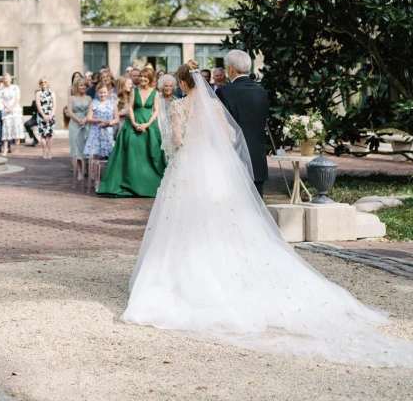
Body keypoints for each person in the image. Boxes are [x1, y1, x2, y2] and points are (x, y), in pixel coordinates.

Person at [121, 61, 413, 367]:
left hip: (189, 169)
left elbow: (177, 141)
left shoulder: (179, 106)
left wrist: (178, 145)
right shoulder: (214, 106)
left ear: (182, 83)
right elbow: (229, 137)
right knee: (226, 221)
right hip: (215, 169)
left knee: (185, 223)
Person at [97, 66, 167, 198]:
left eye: (145, 77)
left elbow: (156, 110)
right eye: (141, 76)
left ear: (150, 78)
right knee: (131, 153)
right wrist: (134, 123)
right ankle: (129, 183)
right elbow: (130, 107)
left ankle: (149, 185)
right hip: (132, 125)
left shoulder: (155, 92)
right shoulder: (135, 91)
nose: (142, 79)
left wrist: (147, 124)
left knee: (151, 154)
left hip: (149, 126)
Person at [215, 50, 268, 198]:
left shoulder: (224, 91)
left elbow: (221, 126)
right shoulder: (262, 91)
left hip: (234, 158)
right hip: (258, 158)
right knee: (257, 208)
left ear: (230, 69)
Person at [84, 83, 119, 184]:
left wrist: (108, 122)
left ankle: (106, 179)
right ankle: (97, 180)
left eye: (104, 92)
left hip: (107, 133)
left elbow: (116, 118)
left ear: (108, 92)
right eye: (100, 93)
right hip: (96, 132)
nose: (102, 95)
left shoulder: (112, 104)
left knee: (108, 156)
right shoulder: (94, 103)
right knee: (96, 157)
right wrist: (99, 120)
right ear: (97, 93)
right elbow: (89, 118)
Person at [67, 76, 90, 180]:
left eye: (84, 85)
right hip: (75, 125)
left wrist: (85, 119)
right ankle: (79, 171)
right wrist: (78, 119)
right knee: (76, 147)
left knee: (86, 146)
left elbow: (91, 110)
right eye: (81, 85)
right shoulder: (71, 98)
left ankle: (87, 169)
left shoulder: (89, 98)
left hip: (86, 123)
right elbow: (70, 112)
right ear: (76, 86)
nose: (83, 87)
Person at [0, 73, 23, 155]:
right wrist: (8, 108)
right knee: (6, 130)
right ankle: (5, 149)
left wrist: (12, 107)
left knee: (16, 129)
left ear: (10, 79)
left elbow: (17, 98)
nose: (6, 80)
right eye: (4, 78)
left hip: (15, 111)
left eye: (7, 78)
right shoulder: (1, 90)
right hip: (6, 112)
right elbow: (2, 100)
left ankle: (17, 149)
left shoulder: (15, 87)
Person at [36, 77, 56, 159]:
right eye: (42, 82)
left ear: (47, 83)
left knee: (50, 135)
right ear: (40, 84)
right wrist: (43, 115)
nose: (43, 83)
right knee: (43, 135)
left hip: (51, 114)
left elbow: (54, 105)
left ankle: (49, 151)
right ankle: (44, 151)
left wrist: (51, 115)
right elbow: (38, 105)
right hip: (42, 115)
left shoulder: (52, 93)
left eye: (45, 82)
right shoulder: (38, 93)